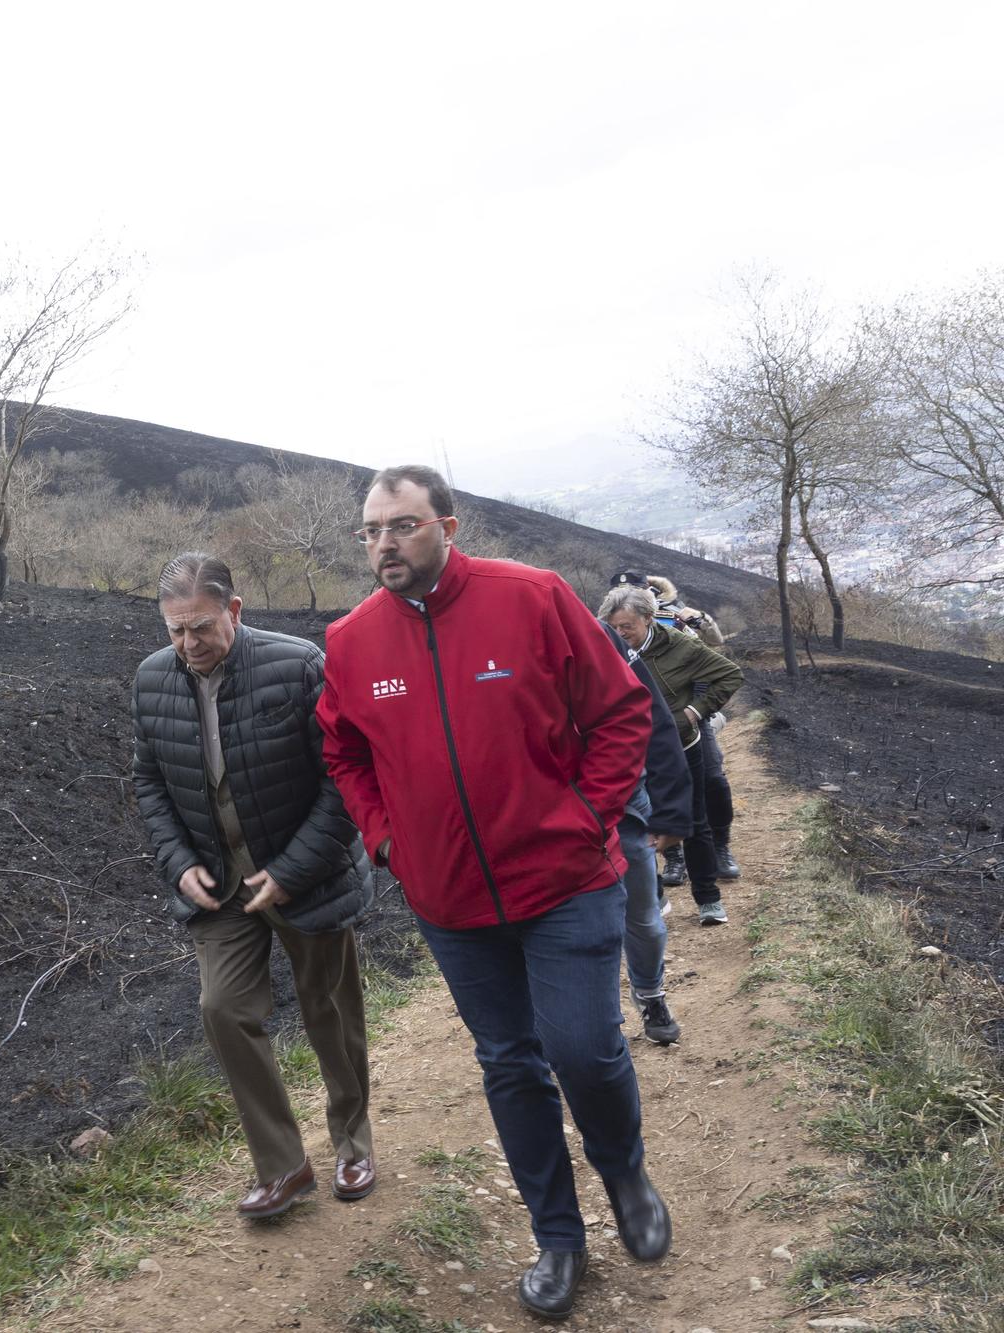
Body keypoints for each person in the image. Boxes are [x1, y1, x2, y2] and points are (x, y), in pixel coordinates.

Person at [321, 466, 668, 1320]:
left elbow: (624, 712)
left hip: (567, 882)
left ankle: (623, 1169)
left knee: (582, 1047)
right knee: (509, 1062)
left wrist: (589, 816)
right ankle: (559, 1236)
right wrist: (388, 838)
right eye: (370, 530)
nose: (383, 544)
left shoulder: (534, 598)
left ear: (447, 523)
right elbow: (345, 754)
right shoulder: (353, 641)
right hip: (451, 903)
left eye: (400, 525)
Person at [131, 552, 378, 1219]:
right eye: (176, 630)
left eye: (201, 628)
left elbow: (343, 781)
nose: (188, 644)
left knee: (330, 1011)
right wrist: (177, 861)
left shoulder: (297, 666)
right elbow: (149, 780)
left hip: (308, 877)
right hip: (218, 884)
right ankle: (283, 1164)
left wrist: (293, 869)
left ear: (233, 611)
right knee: (223, 1008)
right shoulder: (152, 680)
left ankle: (353, 1141)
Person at [600, 585, 744, 926]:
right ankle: (655, 897)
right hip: (632, 753)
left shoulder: (681, 645)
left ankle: (708, 898)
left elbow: (729, 674)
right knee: (637, 825)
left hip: (682, 746)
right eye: (614, 627)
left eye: (627, 627)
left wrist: (692, 714)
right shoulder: (603, 647)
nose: (620, 634)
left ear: (648, 620)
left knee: (695, 822)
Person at [596, 618, 694, 1046]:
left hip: (623, 808)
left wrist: (670, 815)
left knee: (643, 917)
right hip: (550, 815)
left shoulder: (595, 635)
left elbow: (653, 719)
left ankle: (651, 995)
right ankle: (589, 1019)